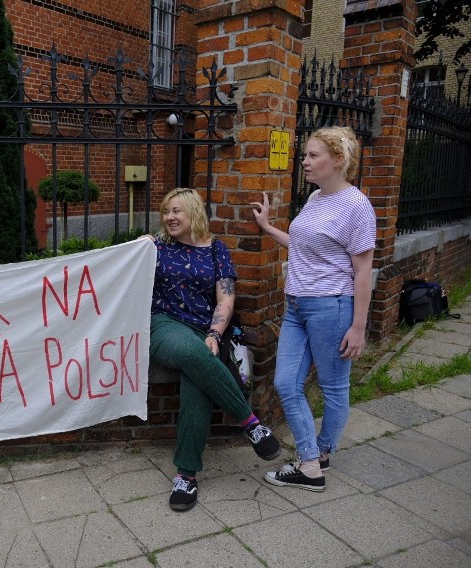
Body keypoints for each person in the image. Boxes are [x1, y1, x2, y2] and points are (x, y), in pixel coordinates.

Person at [251, 126, 376, 492]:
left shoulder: (356, 206)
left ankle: (316, 458)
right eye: (305, 155)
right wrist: (267, 227)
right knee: (285, 383)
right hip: (297, 307)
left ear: (337, 160)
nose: (303, 161)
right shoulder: (316, 198)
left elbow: (363, 270)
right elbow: (303, 246)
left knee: (334, 386)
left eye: (312, 155)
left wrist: (358, 326)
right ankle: (311, 458)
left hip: (332, 307)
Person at [147, 188, 281, 512]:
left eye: (176, 210)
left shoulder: (216, 250)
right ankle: (250, 423)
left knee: (198, 379)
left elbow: (226, 299)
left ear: (194, 212)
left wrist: (214, 333)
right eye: (166, 212)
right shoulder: (157, 246)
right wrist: (138, 247)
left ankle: (186, 475)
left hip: (205, 329)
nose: (170, 217)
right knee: (195, 355)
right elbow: (124, 262)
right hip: (164, 324)